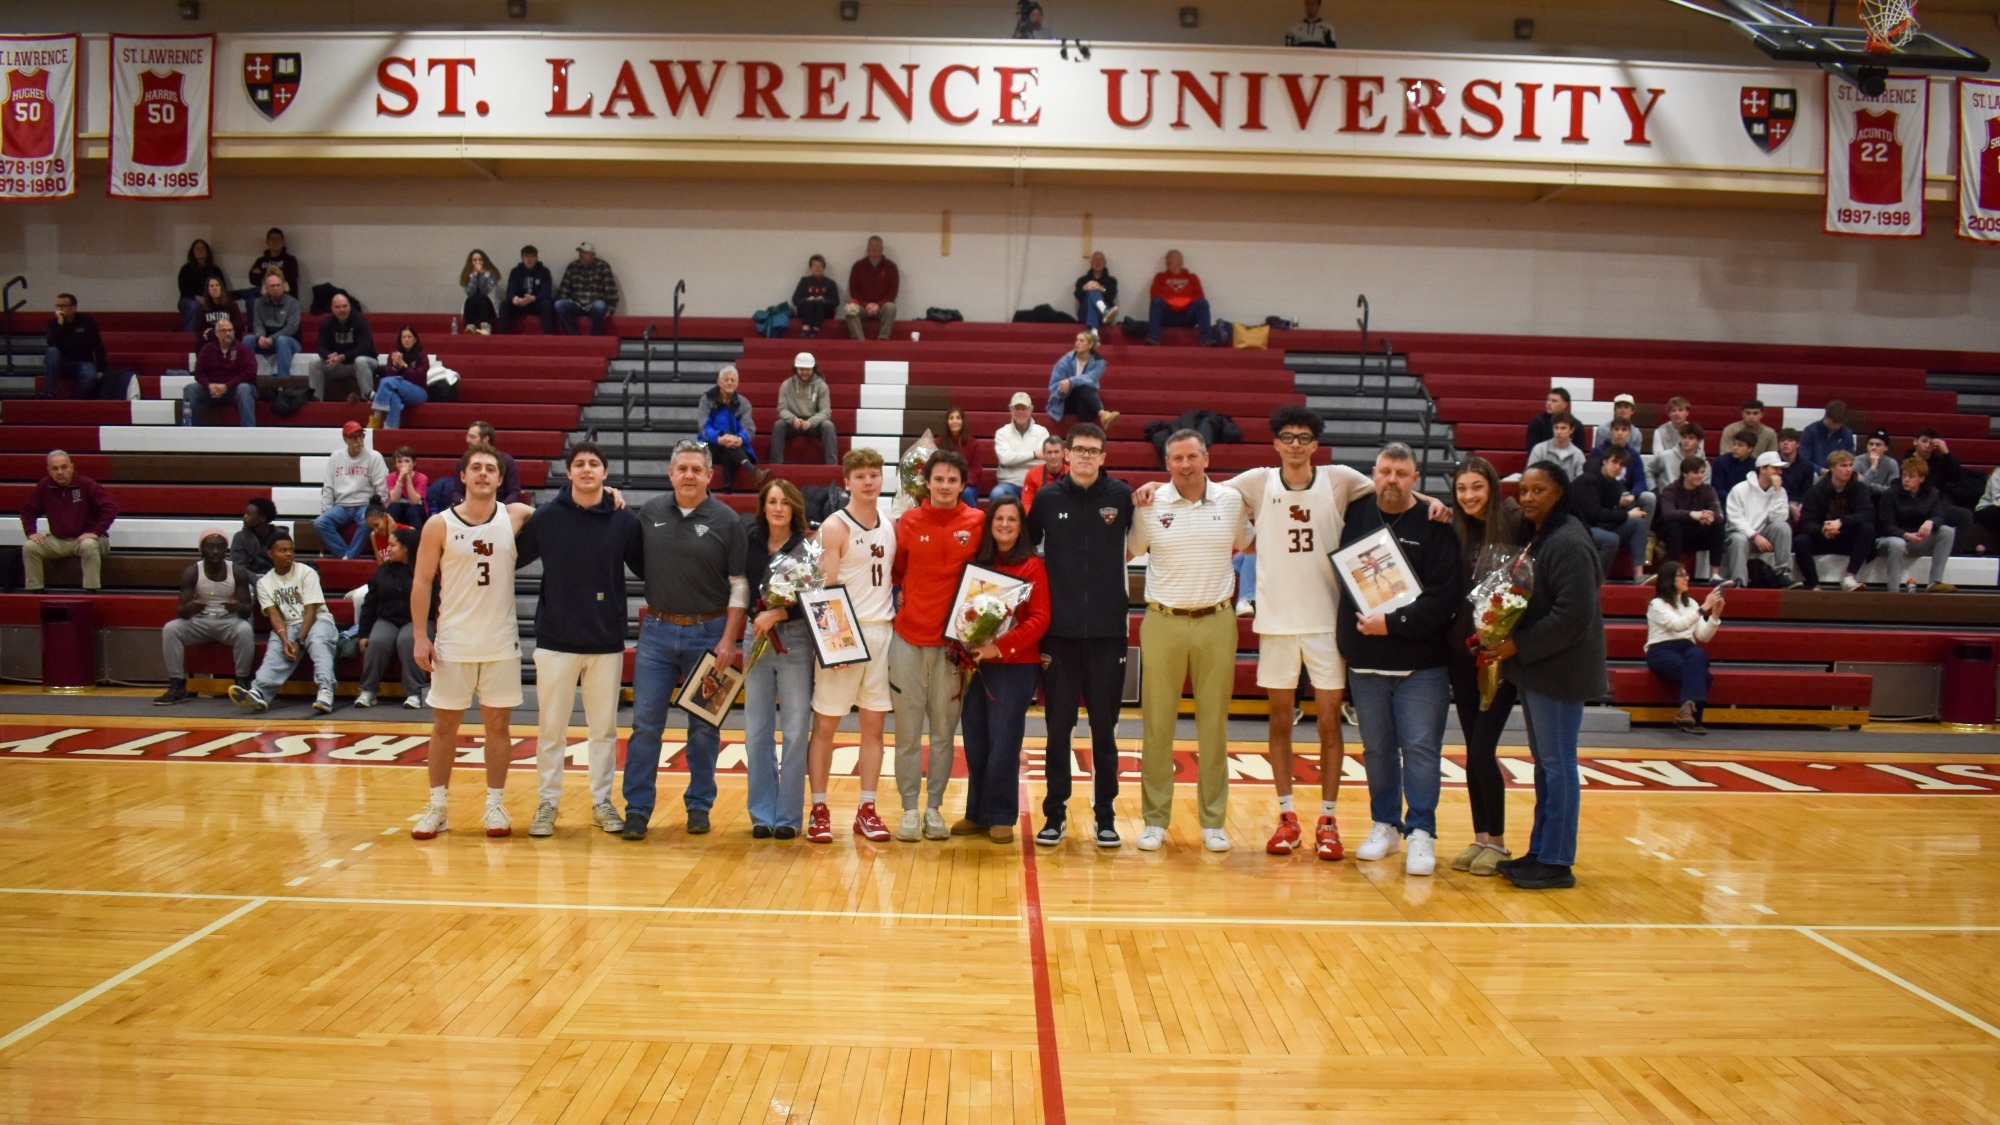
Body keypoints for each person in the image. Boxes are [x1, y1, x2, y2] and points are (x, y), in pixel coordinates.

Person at [1232, 407, 1373, 862]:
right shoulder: (1258, 481)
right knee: (1280, 721)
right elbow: (1208, 495)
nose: (1295, 444)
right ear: (1275, 443)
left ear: (1316, 445)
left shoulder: (1340, 479)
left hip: (1325, 622)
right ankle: (1287, 816)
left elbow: (1393, 491)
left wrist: (1431, 503)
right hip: (1276, 622)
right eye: (1288, 436)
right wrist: (1154, 490)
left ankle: (1328, 820)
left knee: (1329, 722)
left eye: (1304, 437)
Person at [1337, 444, 1463, 878]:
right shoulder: (1353, 513)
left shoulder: (1435, 523)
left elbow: (1444, 597)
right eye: (1385, 471)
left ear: (1416, 479)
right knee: (1377, 750)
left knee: (1421, 750)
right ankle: (1385, 824)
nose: (1392, 480)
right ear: (1374, 473)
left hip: (1422, 663)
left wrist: (1392, 623)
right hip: (1366, 661)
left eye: (1402, 473)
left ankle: (1421, 830)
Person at [408, 444, 538, 839]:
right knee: (444, 726)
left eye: (490, 469)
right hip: (453, 642)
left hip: (500, 642)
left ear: (500, 479)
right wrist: (420, 636)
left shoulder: (515, 515)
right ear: (462, 476)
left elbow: (569, 512)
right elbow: (421, 582)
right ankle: (437, 806)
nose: (483, 473)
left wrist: (610, 493)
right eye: (476, 467)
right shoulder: (439, 524)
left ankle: (494, 805)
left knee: (498, 726)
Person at [1488, 461, 1607, 891]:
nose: (1528, 498)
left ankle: (1557, 861)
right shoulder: (1542, 535)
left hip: (1561, 672)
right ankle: (1540, 850)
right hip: (1541, 670)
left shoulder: (1569, 541)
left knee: (1558, 766)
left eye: (1539, 490)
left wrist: (1515, 645)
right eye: (1524, 490)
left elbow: (1573, 616)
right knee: (1546, 765)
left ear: (1560, 493)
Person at [1127, 429, 1248, 853]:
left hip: (1217, 621)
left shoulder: (1231, 501)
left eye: (1192, 456)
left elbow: (1251, 543)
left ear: (1206, 459)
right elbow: (1126, 551)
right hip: (1163, 621)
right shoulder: (1149, 504)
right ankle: (1154, 820)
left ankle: (1213, 821)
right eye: (1177, 458)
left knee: (1213, 726)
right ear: (1166, 464)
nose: (1185, 464)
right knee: (1157, 726)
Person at [518, 441, 645, 837]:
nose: (587, 469)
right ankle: (547, 803)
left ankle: (602, 802)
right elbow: (510, 555)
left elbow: (647, 568)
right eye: (580, 464)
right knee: (551, 730)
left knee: (603, 730)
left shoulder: (624, 520)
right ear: (568, 472)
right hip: (555, 641)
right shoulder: (546, 517)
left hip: (605, 641)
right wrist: (514, 511)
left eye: (594, 464)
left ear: (605, 473)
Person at [624, 439, 749, 840]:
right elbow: (641, 564)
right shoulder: (649, 513)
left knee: (704, 728)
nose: (689, 475)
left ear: (710, 475)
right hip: (657, 634)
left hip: (710, 635)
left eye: (697, 469)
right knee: (645, 725)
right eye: (682, 469)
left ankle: (699, 805)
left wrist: (729, 640)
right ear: (670, 473)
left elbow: (739, 585)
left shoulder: (728, 521)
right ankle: (637, 809)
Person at [1026, 423, 1132, 848]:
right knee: (1058, 729)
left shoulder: (1121, 496)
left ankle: (1105, 815)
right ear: (1065, 455)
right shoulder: (1048, 498)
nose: (1086, 456)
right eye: (1080, 449)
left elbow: (1141, 539)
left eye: (1094, 450)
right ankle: (1055, 815)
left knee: (1105, 730)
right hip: (1059, 633)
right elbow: (1027, 549)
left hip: (1108, 632)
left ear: (1104, 456)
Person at [889, 449, 986, 841]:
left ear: (963, 485)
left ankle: (933, 809)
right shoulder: (908, 522)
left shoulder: (978, 521)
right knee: (908, 733)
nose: (945, 486)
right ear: (926, 483)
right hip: (908, 641)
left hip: (952, 648)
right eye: (939, 479)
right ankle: (909, 810)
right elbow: (897, 572)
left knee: (944, 734)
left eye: (952, 480)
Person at [805, 448, 899, 845]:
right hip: (844, 634)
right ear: (847, 482)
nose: (868, 481)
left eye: (874, 475)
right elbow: (823, 590)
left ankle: (867, 808)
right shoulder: (834, 526)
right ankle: (819, 809)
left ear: (882, 479)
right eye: (860, 476)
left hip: (881, 634)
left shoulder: (890, 524)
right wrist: (834, 644)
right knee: (826, 725)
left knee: (874, 727)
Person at [954, 496, 1052, 843]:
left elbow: (1040, 619)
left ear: (1021, 526)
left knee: (1004, 743)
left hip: (1015, 666)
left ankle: (1000, 814)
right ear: (990, 525)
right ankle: (976, 813)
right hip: (977, 665)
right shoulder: (978, 565)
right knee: (975, 739)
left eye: (1012, 519)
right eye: (999, 519)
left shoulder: (1032, 566)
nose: (1005, 525)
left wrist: (999, 646)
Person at [1445, 457, 1523, 876]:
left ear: (1491, 487)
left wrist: (1504, 641)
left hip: (1499, 657)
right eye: (1461, 489)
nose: (1469, 496)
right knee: (1472, 749)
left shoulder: (1513, 522)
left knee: (1482, 749)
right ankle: (1481, 837)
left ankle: (1500, 843)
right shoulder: (1455, 528)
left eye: (1477, 487)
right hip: (1462, 656)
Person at [743, 477, 816, 839]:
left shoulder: (806, 548)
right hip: (756, 636)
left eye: (785, 502)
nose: (778, 508)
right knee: (756, 731)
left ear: (794, 508)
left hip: (795, 640)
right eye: (772, 501)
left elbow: (815, 598)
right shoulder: (749, 541)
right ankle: (761, 813)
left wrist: (780, 613)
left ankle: (787, 815)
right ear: (763, 507)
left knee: (795, 729)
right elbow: (739, 589)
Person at [229, 531, 340, 714]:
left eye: (291, 550)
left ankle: (325, 690)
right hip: (288, 624)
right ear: (270, 554)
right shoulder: (264, 583)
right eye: (282, 550)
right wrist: (285, 639)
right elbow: (274, 615)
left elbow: (311, 611)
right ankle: (259, 692)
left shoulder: (307, 572)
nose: (288, 554)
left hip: (317, 621)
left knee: (318, 641)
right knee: (276, 649)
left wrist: (299, 641)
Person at [154, 529, 256, 705]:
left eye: (220, 547)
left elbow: (246, 611)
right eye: (210, 547)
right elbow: (181, 611)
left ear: (226, 549)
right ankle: (177, 685)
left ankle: (242, 683)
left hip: (228, 621)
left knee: (245, 630)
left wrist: (237, 606)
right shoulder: (193, 571)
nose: (215, 551)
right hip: (201, 621)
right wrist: (190, 607)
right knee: (171, 628)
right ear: (202, 549)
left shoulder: (237, 571)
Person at [353, 527, 429, 710]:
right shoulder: (383, 571)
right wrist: (364, 634)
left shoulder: (424, 571)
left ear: (406, 548)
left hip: (417, 620)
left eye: (393, 545)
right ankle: (368, 691)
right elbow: (370, 604)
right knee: (377, 641)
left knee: (408, 640)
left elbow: (433, 602)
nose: (388, 549)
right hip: (387, 619)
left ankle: (415, 693)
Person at [1645, 560, 1724, 735]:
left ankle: (1687, 713)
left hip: (1687, 648)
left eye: (1686, 574)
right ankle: (1693, 718)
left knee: (1698, 654)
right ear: (1669, 579)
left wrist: (1715, 616)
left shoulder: (1692, 604)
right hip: (1661, 650)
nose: (1686, 578)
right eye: (1681, 575)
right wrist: (1704, 607)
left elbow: (1703, 636)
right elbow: (1677, 625)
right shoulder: (1656, 604)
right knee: (1702, 675)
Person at [20, 450, 116, 592]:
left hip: (86, 540)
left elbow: (111, 508)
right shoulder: (44, 487)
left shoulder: (86, 484)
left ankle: (91, 591)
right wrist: (31, 532)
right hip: (58, 540)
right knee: (30, 547)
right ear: (49, 471)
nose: (60, 472)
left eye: (64, 467)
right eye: (55, 468)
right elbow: (28, 511)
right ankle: (36, 591)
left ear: (72, 467)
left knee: (89, 545)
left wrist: (96, 532)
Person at [1792, 451, 1874, 591]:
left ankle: (1850, 577)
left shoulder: (1859, 488)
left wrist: (1841, 522)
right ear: (1832, 468)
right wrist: (1823, 528)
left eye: (1850, 465)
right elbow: (1805, 523)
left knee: (1867, 528)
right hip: (1823, 537)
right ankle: (1814, 585)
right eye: (1843, 466)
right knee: (1800, 540)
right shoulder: (1816, 491)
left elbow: (1868, 513)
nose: (1848, 469)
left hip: (1848, 536)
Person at [1876, 457, 1958, 593]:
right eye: (1904, 475)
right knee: (1897, 544)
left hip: (1918, 540)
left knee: (1946, 531)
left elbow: (1940, 515)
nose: (1906, 480)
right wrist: (1905, 535)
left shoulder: (1932, 493)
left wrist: (1930, 522)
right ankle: (1893, 592)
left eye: (1911, 476)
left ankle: (1935, 581)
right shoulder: (1890, 494)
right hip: (1892, 540)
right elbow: (1886, 526)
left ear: (1921, 479)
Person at [1574, 447, 1652, 581]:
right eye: (1614, 462)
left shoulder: (1615, 485)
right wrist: (1627, 515)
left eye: (1621, 465)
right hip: (1580, 527)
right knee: (1611, 539)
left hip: (1599, 525)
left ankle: (1639, 576)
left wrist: (1624, 511)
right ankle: (1597, 580)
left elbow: (1611, 513)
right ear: (1604, 461)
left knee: (1638, 523)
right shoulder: (1587, 480)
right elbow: (1594, 513)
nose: (1617, 467)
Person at [315, 422, 388, 560]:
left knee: (368, 521)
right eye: (354, 437)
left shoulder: (374, 457)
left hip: (365, 504)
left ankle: (348, 557)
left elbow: (382, 487)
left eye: (361, 436)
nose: (359, 441)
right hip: (341, 505)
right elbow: (328, 486)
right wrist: (327, 510)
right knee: (320, 523)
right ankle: (346, 556)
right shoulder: (336, 457)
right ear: (345, 439)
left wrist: (378, 509)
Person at [1722, 451, 1792, 587]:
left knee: (1783, 527)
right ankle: (1739, 583)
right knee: (1739, 539)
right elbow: (1735, 520)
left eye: (1780, 469)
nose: (1780, 472)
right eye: (1775, 468)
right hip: (1739, 535)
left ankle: (1782, 573)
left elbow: (1779, 518)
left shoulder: (1780, 491)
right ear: (1762, 469)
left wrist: (1777, 493)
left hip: (1764, 535)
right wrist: (1754, 536)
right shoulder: (1739, 489)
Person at [180, 318, 258, 427]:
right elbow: (199, 372)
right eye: (224, 330)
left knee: (244, 388)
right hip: (212, 390)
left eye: (230, 330)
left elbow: (250, 372)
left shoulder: (242, 349)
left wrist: (227, 386)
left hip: (234, 390)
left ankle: (249, 428)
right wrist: (209, 385)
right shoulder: (207, 349)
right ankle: (187, 427)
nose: (228, 333)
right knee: (190, 389)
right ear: (216, 333)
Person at [697, 365, 759, 491]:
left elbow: (748, 429)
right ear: (719, 382)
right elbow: (704, 427)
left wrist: (740, 439)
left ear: (737, 383)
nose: (729, 382)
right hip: (706, 444)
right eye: (726, 380)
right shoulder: (707, 400)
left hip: (734, 446)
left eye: (732, 380)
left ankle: (728, 490)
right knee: (728, 444)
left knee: (729, 449)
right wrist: (719, 438)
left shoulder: (744, 403)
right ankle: (749, 468)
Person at [1909, 429, 1980, 539]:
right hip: (1913, 503)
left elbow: (1958, 478)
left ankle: (1955, 550)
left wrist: (1947, 453)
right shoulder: (1907, 460)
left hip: (1937, 505)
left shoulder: (1940, 461)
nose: (1927, 446)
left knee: (1965, 515)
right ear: (1915, 441)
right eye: (1924, 441)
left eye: (1931, 443)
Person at [1656, 456, 1726, 566]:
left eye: (1702, 472)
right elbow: (1667, 513)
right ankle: (1674, 570)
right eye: (1696, 472)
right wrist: (1692, 515)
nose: (1700, 476)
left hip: (1698, 533)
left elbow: (1719, 515)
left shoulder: (1708, 490)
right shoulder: (1670, 490)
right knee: (1673, 525)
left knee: (1718, 527)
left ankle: (1714, 573)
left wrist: (1708, 517)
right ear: (1684, 473)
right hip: (1676, 535)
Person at [309, 292, 378, 403]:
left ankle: (368, 401)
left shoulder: (360, 321)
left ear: (349, 306)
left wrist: (343, 357)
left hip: (364, 363)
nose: (342, 310)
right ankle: (316, 402)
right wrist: (328, 355)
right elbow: (321, 346)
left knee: (360, 361)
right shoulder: (327, 323)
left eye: (344, 306)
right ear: (332, 309)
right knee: (315, 363)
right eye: (338, 307)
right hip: (339, 365)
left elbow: (364, 347)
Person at [771, 352, 836, 466]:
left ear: (813, 369)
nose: (805, 372)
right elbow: (782, 409)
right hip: (794, 422)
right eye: (801, 369)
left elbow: (825, 411)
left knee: (828, 426)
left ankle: (832, 465)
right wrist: (793, 419)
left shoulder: (821, 385)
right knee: (779, 425)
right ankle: (776, 464)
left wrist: (811, 422)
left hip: (814, 423)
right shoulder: (786, 385)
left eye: (808, 369)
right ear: (796, 369)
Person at [1046, 329, 1119, 432]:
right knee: (1083, 388)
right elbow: (1054, 385)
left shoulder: (1099, 362)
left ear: (1090, 345)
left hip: (1085, 398)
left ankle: (1083, 433)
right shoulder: (1066, 360)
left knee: (1083, 398)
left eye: (1081, 340)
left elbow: (1091, 379)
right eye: (1077, 340)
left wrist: (1071, 381)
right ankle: (1102, 414)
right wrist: (1065, 386)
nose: (1077, 343)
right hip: (1064, 399)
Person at [42, 293, 105, 399]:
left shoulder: (86, 322)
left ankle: (77, 399)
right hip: (61, 362)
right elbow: (52, 342)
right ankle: (49, 392)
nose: (59, 309)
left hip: (83, 362)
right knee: (52, 351)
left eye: (63, 306)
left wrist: (101, 368)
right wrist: (60, 325)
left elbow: (97, 344)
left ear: (74, 308)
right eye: (58, 306)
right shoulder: (53, 323)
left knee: (90, 376)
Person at [992, 392, 1051, 503]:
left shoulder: (1042, 432)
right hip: (1009, 483)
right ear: (1011, 409)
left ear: (1031, 409)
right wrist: (1034, 454)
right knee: (997, 494)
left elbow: (1043, 461)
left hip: (1035, 483)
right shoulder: (1002, 433)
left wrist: (1014, 460)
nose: (1020, 412)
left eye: (1024, 408)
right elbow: (1005, 459)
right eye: (1017, 408)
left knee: (1050, 495)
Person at [1145, 249, 1211, 346]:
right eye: (1167, 258)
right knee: (1156, 302)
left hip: (1187, 315)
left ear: (1179, 260)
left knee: (1203, 303)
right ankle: (1154, 338)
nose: (1167, 260)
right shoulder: (1160, 277)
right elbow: (1155, 295)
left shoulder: (1192, 277)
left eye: (1170, 257)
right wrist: (1178, 302)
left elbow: (1199, 295)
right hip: (1168, 316)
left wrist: (1178, 302)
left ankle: (1206, 339)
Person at [369, 326, 430, 429]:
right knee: (393, 397)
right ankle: (390, 429)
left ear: (415, 339)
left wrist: (404, 365)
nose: (406, 339)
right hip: (398, 389)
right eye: (404, 337)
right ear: (400, 339)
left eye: (409, 337)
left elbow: (418, 378)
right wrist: (395, 366)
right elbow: (389, 377)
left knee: (386, 382)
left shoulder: (422, 355)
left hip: (418, 391)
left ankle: (377, 415)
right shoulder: (394, 355)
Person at [555, 241, 621, 336]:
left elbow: (611, 291)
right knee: (559, 304)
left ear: (593, 255)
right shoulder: (572, 266)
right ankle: (572, 335)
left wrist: (610, 310)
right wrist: (560, 301)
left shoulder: (603, 266)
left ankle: (594, 337)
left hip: (594, 303)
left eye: (585, 253)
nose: (581, 255)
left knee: (600, 306)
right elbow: (563, 290)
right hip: (576, 303)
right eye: (580, 252)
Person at [246, 271, 303, 378]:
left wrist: (272, 338)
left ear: (283, 286)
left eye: (278, 285)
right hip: (267, 340)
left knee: (282, 340)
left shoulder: (293, 303)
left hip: (289, 341)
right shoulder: (258, 302)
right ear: (266, 288)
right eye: (272, 286)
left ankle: (283, 380)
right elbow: (257, 324)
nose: (276, 288)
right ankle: (249, 376)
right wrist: (261, 336)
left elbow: (291, 328)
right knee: (248, 339)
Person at [844, 235, 899, 341]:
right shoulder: (858, 266)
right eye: (871, 246)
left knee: (891, 307)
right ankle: (860, 342)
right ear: (867, 248)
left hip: (882, 307)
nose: (873, 249)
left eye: (877, 246)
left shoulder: (891, 267)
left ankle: (883, 339)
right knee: (850, 309)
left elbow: (892, 292)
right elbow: (854, 291)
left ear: (882, 249)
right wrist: (866, 305)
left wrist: (878, 305)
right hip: (863, 306)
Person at [501, 244, 557, 335]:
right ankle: (504, 336)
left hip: (536, 303)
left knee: (547, 304)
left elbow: (546, 292)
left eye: (532, 256)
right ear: (522, 258)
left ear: (537, 258)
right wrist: (514, 298)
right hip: (520, 303)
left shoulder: (544, 271)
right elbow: (510, 290)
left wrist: (533, 298)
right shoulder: (515, 271)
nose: (529, 259)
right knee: (505, 304)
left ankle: (548, 335)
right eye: (526, 256)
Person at [465, 422, 523, 505]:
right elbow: (456, 491)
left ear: (485, 439)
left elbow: (514, 492)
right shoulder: (465, 460)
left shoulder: (507, 461)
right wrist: (465, 505)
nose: (467, 440)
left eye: (472, 437)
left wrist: (500, 508)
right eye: (476, 468)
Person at [176, 239, 226, 332]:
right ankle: (189, 336)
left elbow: (223, 288)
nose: (200, 251)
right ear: (192, 252)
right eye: (197, 248)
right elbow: (183, 289)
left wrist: (210, 299)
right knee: (194, 306)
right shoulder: (186, 269)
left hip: (210, 299)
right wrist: (198, 298)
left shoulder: (215, 270)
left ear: (207, 251)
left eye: (203, 248)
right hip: (189, 299)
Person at [937, 407, 985, 503]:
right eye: (951, 418)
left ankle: (972, 514)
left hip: (966, 485)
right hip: (943, 482)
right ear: (947, 422)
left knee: (965, 492)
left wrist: (959, 482)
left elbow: (976, 471)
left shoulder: (974, 443)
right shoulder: (938, 442)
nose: (955, 421)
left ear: (963, 422)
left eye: (958, 418)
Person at [790, 254, 841, 337]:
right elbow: (795, 299)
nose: (817, 268)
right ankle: (805, 328)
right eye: (814, 266)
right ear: (811, 267)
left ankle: (815, 329)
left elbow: (836, 302)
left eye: (820, 266)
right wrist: (807, 299)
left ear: (824, 267)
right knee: (811, 302)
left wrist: (824, 300)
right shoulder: (804, 281)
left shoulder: (831, 283)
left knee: (819, 303)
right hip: (806, 309)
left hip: (824, 311)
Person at [1800, 400, 1857, 472]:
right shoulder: (1810, 431)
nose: (1837, 426)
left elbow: (1850, 458)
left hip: (1839, 473)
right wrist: (1821, 470)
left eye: (1840, 423)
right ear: (1826, 416)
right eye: (1834, 422)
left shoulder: (1846, 433)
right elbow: (1804, 460)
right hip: (1814, 473)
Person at [1651, 422, 1709, 493]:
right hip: (1666, 496)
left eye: (1691, 438)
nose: (1686, 441)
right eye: (1684, 437)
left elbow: (1705, 488)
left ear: (1699, 441)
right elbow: (1649, 471)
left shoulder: (1704, 464)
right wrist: (1654, 490)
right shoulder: (1665, 456)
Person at [1525, 411, 1585, 480]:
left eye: (1563, 428)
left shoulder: (1578, 454)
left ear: (1571, 430)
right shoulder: (1539, 449)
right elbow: (1529, 475)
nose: (1558, 432)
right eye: (1556, 428)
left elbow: (1581, 481)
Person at [231, 498, 281, 578]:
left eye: (249, 514)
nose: (244, 516)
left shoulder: (281, 536)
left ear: (262, 518)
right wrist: (256, 580)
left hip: (276, 579)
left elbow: (285, 564)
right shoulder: (240, 538)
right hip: (249, 580)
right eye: (245, 513)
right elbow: (239, 567)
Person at [244, 227, 299, 300]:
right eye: (272, 239)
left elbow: (289, 279)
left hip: (285, 295)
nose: (275, 241)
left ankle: (240, 294)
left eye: (278, 239)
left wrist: (262, 275)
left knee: (254, 293)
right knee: (251, 299)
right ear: (267, 242)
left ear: (283, 242)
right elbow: (252, 279)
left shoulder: (290, 260)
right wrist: (276, 275)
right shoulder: (261, 261)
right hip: (264, 295)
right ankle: (240, 294)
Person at [1074, 250, 1120, 330]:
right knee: (1093, 291)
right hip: (1085, 313)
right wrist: (1085, 288)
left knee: (1094, 291)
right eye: (1095, 260)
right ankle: (1105, 310)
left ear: (1105, 263)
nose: (1098, 262)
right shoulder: (1082, 280)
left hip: (1102, 317)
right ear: (1091, 263)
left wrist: (1101, 288)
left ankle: (1093, 332)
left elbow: (1112, 295)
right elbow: (1077, 295)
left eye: (1100, 260)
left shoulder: (1111, 281)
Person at [1019, 436, 1068, 511]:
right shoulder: (1032, 474)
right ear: (1044, 454)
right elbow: (1026, 503)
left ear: (1063, 453)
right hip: (1040, 515)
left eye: (1056, 452)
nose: (1053, 456)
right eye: (1049, 452)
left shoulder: (1073, 473)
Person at [191, 275, 241, 348]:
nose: (215, 288)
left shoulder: (232, 305)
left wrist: (223, 332)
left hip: (229, 336)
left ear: (221, 288)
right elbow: (199, 329)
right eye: (211, 286)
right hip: (210, 338)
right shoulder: (203, 308)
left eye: (217, 285)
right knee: (201, 342)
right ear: (208, 290)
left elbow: (238, 326)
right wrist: (205, 333)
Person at [384, 447, 428, 529]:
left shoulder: (422, 478)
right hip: (399, 507)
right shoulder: (390, 477)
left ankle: (415, 536)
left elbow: (414, 501)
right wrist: (400, 478)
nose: (403, 465)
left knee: (412, 510)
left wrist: (408, 479)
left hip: (417, 509)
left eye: (407, 461)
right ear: (395, 464)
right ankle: (391, 535)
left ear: (414, 463)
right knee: (393, 507)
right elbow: (394, 499)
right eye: (399, 461)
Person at [460, 249, 501, 333]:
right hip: (471, 307)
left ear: (484, 261)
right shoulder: (468, 275)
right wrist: (475, 275)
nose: (477, 262)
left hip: (488, 307)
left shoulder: (491, 274)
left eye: (480, 260)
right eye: (475, 260)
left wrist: (482, 275)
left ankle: (486, 327)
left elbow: (484, 291)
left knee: (481, 297)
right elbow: (470, 292)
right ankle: (470, 326)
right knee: (471, 298)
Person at [1776, 428, 1813, 519]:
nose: (1785, 443)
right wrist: (1789, 506)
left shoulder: (1807, 466)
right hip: (1776, 503)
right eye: (1782, 440)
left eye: (1790, 440)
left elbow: (1806, 492)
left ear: (1798, 444)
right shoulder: (1772, 464)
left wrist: (1800, 505)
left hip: (1797, 503)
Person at [1711, 431, 1758, 499]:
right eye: (1734, 444)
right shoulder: (1721, 462)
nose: (1735, 448)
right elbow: (1718, 489)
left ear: (1750, 449)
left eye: (1740, 445)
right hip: (1724, 500)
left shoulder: (1755, 464)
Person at [1650, 396, 1693, 468]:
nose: (1677, 413)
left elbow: (1698, 456)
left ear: (1687, 412)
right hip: (1665, 469)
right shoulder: (1659, 432)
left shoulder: (1695, 432)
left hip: (1689, 468)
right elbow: (1658, 457)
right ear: (1669, 414)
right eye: (1673, 410)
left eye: (1680, 410)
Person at [1524, 388, 1571, 454]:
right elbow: (1533, 452)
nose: (1549, 403)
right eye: (1548, 400)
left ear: (1565, 404)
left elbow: (1578, 455)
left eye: (1554, 401)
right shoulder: (1536, 423)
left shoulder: (1575, 425)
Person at [1858, 429, 1899, 494]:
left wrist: (1871, 485)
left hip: (1883, 498)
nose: (1873, 448)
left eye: (1878, 445)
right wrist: (1873, 467)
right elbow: (1860, 489)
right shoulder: (1857, 461)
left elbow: (1893, 490)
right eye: (1871, 444)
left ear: (1886, 448)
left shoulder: (1892, 464)